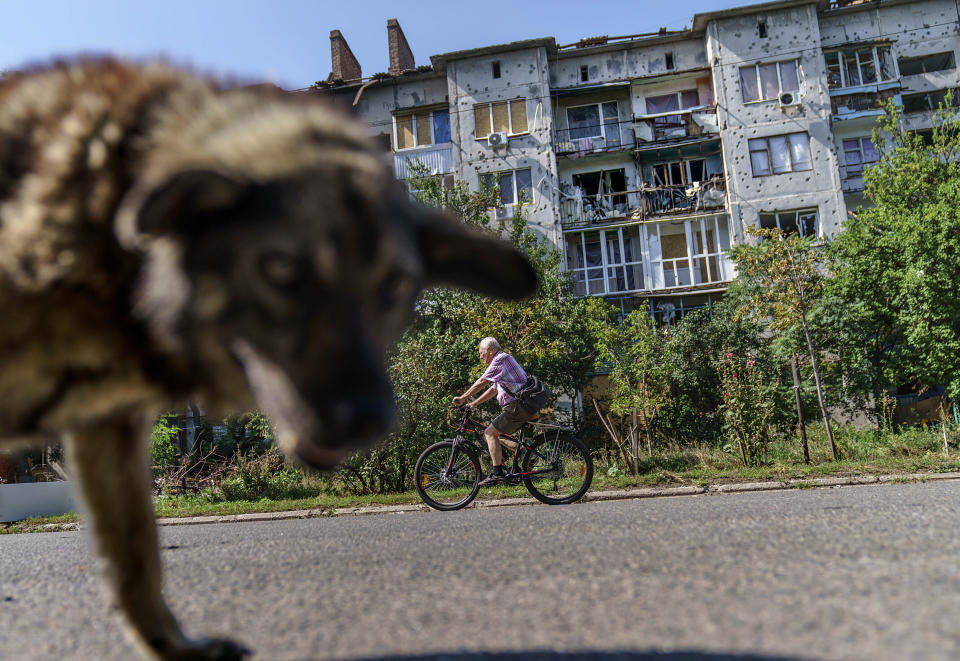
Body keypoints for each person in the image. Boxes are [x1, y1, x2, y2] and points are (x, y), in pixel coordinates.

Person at [452, 337, 543, 485]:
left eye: (482, 353)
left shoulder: (501, 359)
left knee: (489, 433)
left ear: (491, 350)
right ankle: (526, 453)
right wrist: (473, 403)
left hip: (518, 406)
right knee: (494, 437)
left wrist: (463, 398)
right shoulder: (502, 362)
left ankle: (497, 473)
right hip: (519, 406)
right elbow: (494, 389)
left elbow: (483, 381)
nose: (480, 356)